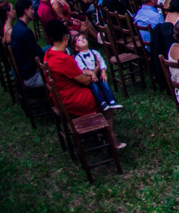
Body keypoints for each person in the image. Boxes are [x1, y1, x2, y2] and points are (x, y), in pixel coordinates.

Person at [43, 20, 124, 148]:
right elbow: (85, 80)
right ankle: (110, 137)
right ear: (65, 37)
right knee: (103, 96)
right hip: (71, 99)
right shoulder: (63, 59)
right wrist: (95, 70)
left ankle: (101, 133)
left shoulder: (48, 54)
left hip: (59, 95)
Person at [73, 32, 122, 111]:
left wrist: (103, 72)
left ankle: (112, 101)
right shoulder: (78, 57)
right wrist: (92, 74)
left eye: (83, 38)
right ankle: (102, 102)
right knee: (94, 87)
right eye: (79, 40)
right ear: (76, 48)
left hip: (98, 73)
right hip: (89, 77)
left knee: (104, 83)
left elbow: (101, 62)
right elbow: (83, 69)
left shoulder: (95, 53)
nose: (82, 40)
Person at [10, 0, 45, 89]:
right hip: (31, 78)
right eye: (31, 9)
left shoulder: (17, 27)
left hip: (26, 73)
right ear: (25, 11)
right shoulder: (25, 32)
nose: (33, 11)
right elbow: (38, 54)